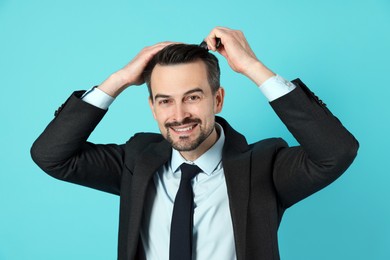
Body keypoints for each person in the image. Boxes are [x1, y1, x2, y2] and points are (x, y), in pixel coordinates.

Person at [31, 26, 359, 260]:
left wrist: (252, 68)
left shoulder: (264, 166)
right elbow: (52, 155)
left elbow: (336, 151)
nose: (179, 115)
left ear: (217, 99)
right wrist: (119, 79)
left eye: (192, 97)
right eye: (164, 101)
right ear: (152, 107)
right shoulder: (135, 161)